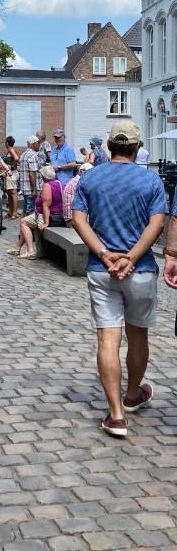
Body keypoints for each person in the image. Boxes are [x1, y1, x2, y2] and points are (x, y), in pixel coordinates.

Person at [72, 120, 167, 439]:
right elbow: (156, 224)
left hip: (103, 271)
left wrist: (104, 253)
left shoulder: (91, 178)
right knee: (138, 336)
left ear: (109, 147)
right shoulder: (150, 181)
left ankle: (115, 415)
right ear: (137, 148)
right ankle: (132, 395)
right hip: (139, 270)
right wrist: (131, 256)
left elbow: (77, 219)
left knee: (107, 340)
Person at [7, 165, 64, 260]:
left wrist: (46, 223)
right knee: (27, 221)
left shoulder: (47, 186)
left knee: (24, 222)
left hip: (46, 216)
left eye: (42, 175)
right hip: (53, 214)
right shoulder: (58, 183)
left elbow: (46, 206)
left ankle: (30, 251)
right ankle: (17, 248)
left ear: (44, 177)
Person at [18, 136, 40, 216]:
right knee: (31, 214)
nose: (39, 145)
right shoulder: (32, 155)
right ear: (33, 144)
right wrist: (34, 189)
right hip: (31, 189)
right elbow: (32, 173)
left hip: (24, 188)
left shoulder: (23, 155)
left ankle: (23, 227)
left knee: (25, 212)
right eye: (38, 143)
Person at [3, 136, 19, 219]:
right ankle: (11, 211)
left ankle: (15, 213)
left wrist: (11, 167)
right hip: (9, 174)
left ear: (7, 143)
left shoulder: (11, 150)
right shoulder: (9, 151)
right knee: (9, 193)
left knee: (13, 193)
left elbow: (16, 158)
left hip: (12, 173)